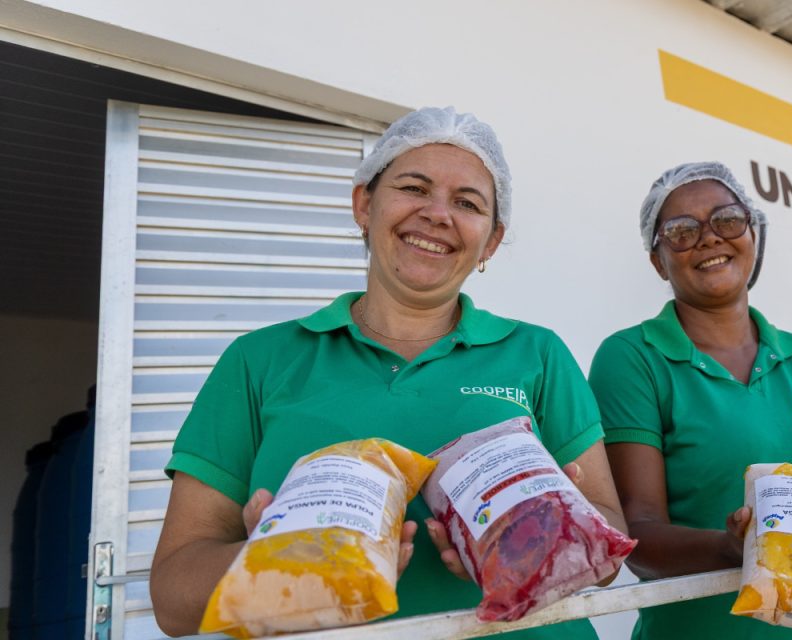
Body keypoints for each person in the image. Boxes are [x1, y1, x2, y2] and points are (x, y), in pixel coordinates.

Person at [151, 107, 625, 638]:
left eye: (467, 203)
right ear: (364, 204)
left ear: (490, 241)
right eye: (413, 188)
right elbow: (172, 599)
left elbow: (609, 548)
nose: (437, 214)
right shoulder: (259, 360)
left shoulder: (536, 352)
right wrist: (278, 563)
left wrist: (546, 530)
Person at [588, 162, 792, 640]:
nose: (709, 238)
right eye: (681, 231)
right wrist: (740, 548)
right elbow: (638, 530)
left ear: (754, 232)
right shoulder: (633, 357)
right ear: (657, 260)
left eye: (727, 220)